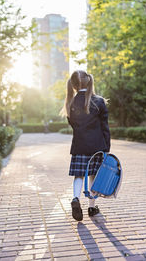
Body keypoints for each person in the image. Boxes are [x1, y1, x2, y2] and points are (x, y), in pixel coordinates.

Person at [61, 70, 110, 221]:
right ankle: (91, 207)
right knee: (93, 176)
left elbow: (74, 125)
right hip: (96, 146)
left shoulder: (70, 103)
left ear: (73, 85)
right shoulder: (99, 101)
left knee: (79, 175)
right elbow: (105, 128)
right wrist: (106, 148)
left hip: (79, 145)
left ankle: (75, 198)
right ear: (89, 81)